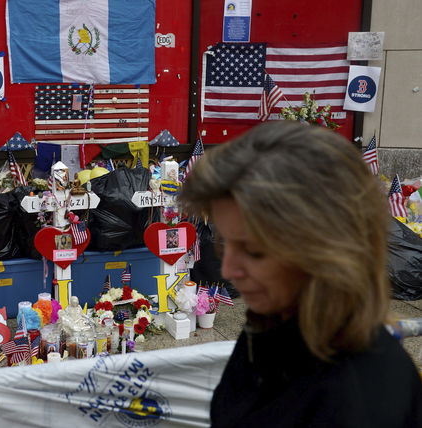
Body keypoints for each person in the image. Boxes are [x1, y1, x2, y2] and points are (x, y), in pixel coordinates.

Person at [179, 121, 422, 428]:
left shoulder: (359, 400)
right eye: (223, 244)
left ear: (327, 253)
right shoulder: (275, 323)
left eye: (254, 251)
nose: (228, 270)